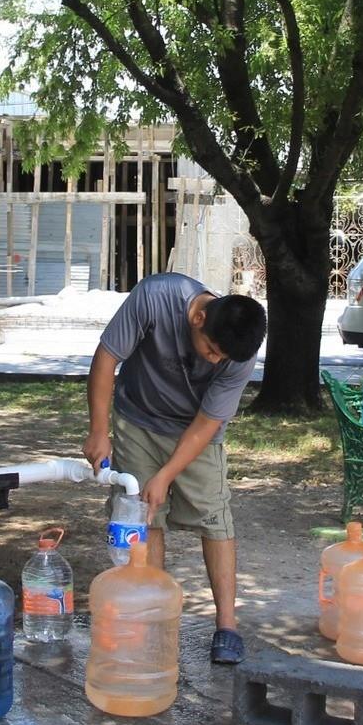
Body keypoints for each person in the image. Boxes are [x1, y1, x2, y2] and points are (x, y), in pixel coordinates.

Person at [82, 272, 267, 664]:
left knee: (214, 518)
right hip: (139, 418)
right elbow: (106, 358)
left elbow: (207, 423)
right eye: (212, 350)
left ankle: (228, 627)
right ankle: (153, 621)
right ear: (198, 319)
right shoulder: (156, 296)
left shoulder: (239, 351)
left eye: (222, 358)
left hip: (197, 430)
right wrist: (99, 430)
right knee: (146, 517)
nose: (215, 360)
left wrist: (166, 474)